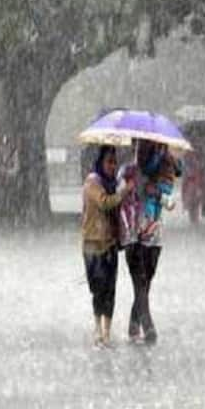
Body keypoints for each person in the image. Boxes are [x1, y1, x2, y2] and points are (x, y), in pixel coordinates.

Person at [118, 140, 174, 344]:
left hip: (155, 237)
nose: (141, 152)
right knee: (139, 282)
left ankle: (133, 324)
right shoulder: (126, 171)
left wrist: (157, 193)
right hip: (133, 236)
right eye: (139, 148)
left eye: (147, 149)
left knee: (146, 282)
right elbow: (118, 196)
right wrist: (130, 188)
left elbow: (171, 203)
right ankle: (148, 326)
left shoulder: (162, 174)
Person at [81, 145, 132, 346]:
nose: (112, 166)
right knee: (98, 288)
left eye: (114, 162)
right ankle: (97, 327)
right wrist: (122, 193)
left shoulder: (113, 183)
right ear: (100, 163)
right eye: (109, 162)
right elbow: (103, 202)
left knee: (110, 289)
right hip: (93, 244)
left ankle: (106, 332)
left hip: (110, 243)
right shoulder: (93, 182)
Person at [142, 144, 182, 225]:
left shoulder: (159, 154)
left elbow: (151, 168)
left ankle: (150, 219)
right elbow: (179, 172)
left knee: (150, 199)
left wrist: (145, 169)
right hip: (169, 187)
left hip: (159, 184)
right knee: (158, 204)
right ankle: (155, 222)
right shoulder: (173, 156)